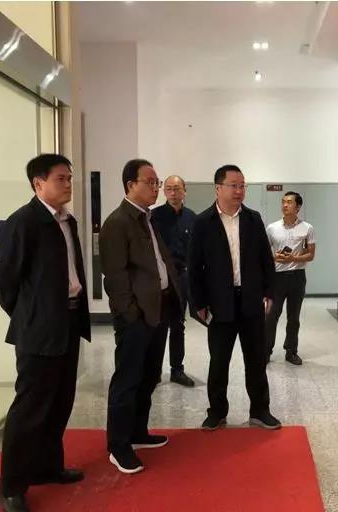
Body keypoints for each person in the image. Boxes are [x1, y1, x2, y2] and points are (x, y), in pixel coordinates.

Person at [0, 154, 91, 512]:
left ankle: (48, 467)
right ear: (38, 184)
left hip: (68, 322)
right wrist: (29, 316)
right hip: (38, 330)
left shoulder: (67, 220)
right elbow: (5, 280)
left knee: (60, 401)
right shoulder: (23, 222)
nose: (68, 184)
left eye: (69, 178)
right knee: (30, 409)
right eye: (60, 178)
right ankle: (11, 486)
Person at [99, 159, 181, 474]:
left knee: (148, 376)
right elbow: (115, 277)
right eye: (150, 182)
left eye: (157, 182)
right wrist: (131, 313)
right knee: (128, 379)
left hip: (158, 310)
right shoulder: (117, 222)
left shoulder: (148, 218)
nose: (156, 187)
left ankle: (137, 432)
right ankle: (118, 446)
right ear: (130, 185)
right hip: (136, 316)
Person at [188, 164, 281, 431]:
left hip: (251, 301)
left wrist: (269, 292)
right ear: (218, 188)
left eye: (242, 186)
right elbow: (194, 268)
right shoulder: (203, 222)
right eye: (234, 185)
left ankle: (260, 410)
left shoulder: (253, 219)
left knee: (256, 360)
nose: (239, 191)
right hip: (220, 304)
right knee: (219, 362)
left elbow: (266, 260)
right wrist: (199, 304)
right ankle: (217, 412)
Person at [152, 175, 197, 387]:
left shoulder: (192, 218)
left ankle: (177, 370)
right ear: (164, 191)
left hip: (182, 277)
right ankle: (154, 371)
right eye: (169, 188)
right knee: (160, 326)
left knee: (178, 325)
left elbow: (196, 251)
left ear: (184, 191)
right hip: (161, 277)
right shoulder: (154, 217)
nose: (173, 193)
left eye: (177, 189)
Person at [265, 191, 316, 365]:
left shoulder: (307, 228)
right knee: (271, 316)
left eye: (289, 202)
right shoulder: (272, 228)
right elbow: (263, 253)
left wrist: (293, 258)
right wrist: (274, 257)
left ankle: (291, 351)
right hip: (276, 278)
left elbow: (311, 255)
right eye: (283, 202)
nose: (285, 205)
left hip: (297, 277)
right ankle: (266, 351)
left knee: (293, 318)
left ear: (298, 207)